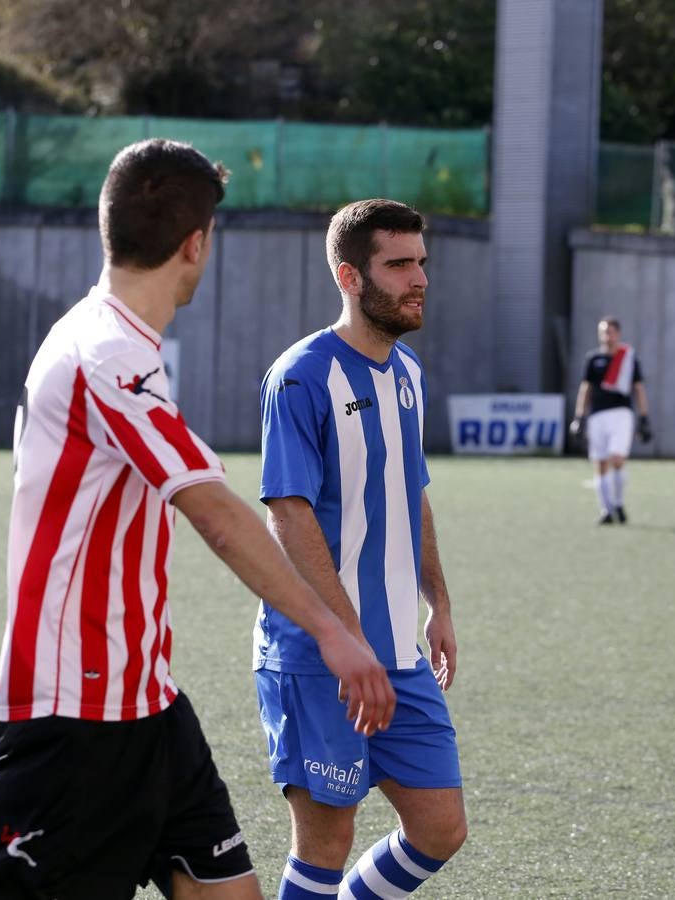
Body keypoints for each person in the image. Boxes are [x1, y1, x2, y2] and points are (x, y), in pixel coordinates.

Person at [0, 140, 394, 900]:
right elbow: (220, 517)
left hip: (147, 701)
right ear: (198, 244)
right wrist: (334, 632)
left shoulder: (111, 340)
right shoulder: (107, 355)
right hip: (74, 713)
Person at [253, 199, 467, 899]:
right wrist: (344, 636)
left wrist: (438, 604)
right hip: (320, 655)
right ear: (350, 276)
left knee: (440, 827)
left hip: (399, 652)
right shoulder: (302, 375)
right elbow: (288, 513)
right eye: (399, 264)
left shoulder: (408, 374)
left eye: (422, 262)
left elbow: (413, 493)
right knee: (324, 843)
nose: (419, 279)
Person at [569, 317, 652, 525]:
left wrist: (644, 417)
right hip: (597, 416)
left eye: (611, 332)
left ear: (618, 334)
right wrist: (579, 417)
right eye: (604, 332)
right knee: (601, 463)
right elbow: (585, 388)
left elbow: (639, 389)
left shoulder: (628, 359)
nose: (607, 336)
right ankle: (607, 509)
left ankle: (618, 503)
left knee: (617, 459)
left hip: (621, 414)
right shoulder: (593, 359)